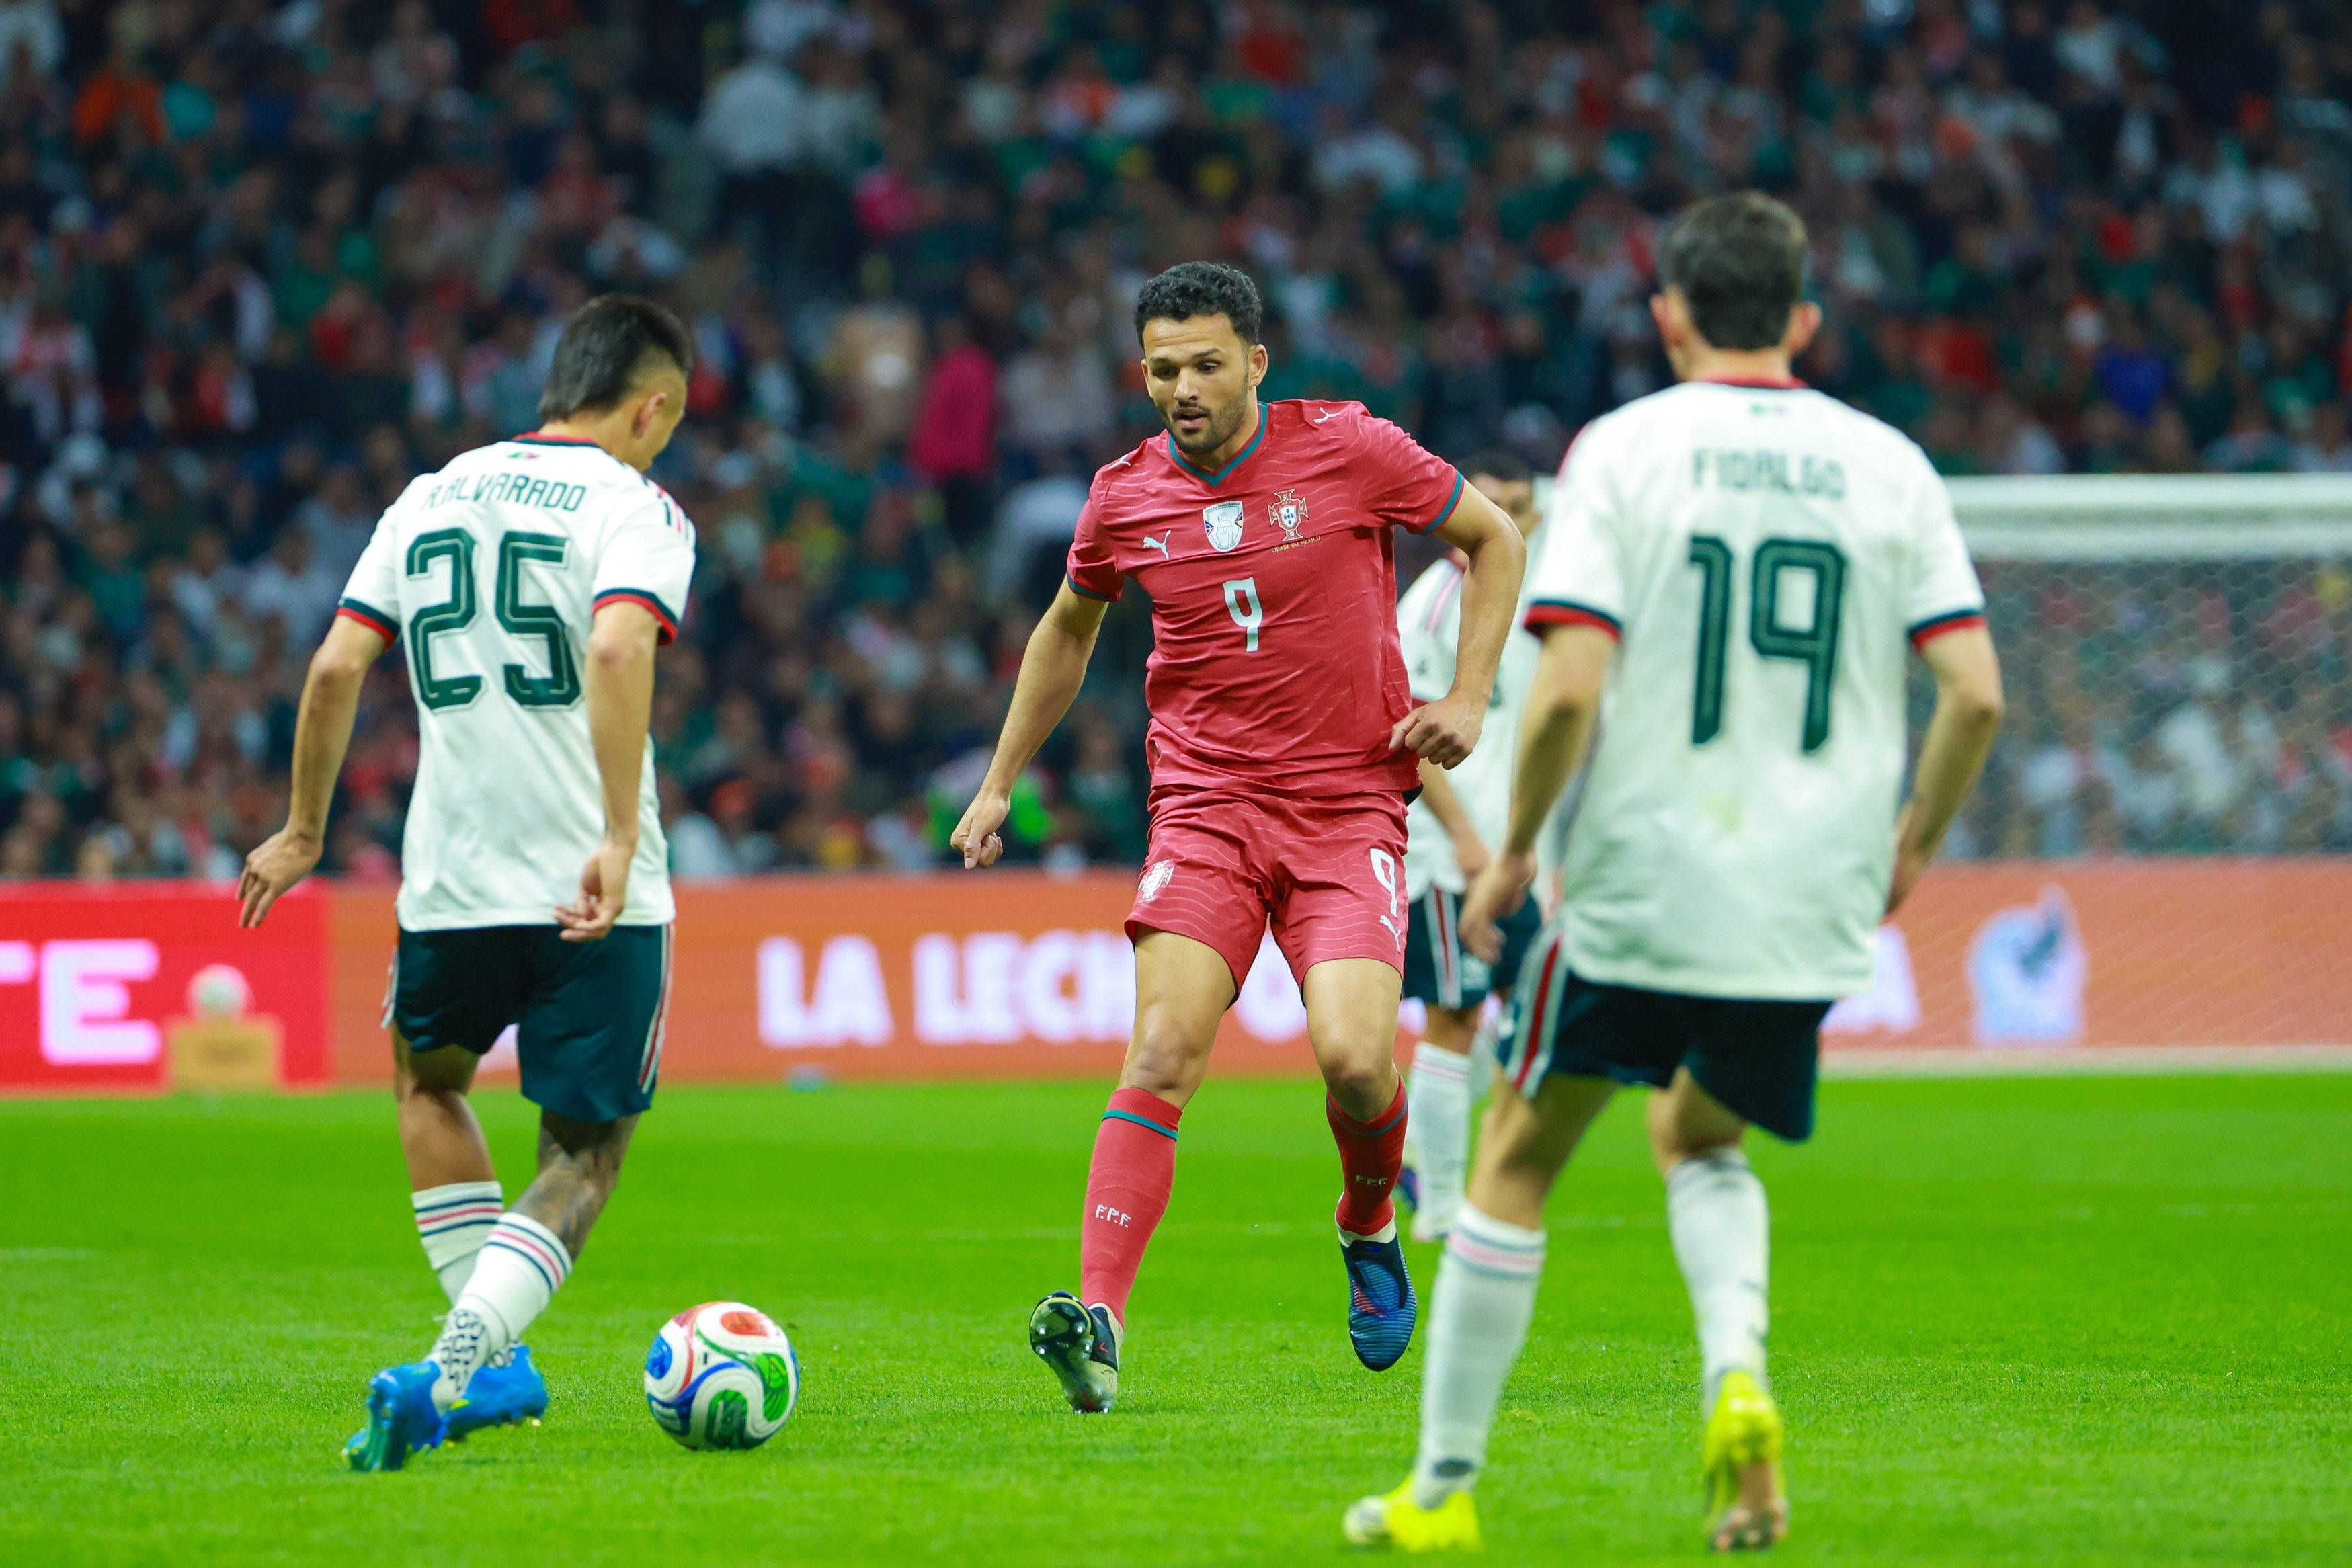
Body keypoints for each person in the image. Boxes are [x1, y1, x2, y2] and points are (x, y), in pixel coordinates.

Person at [1346, 192, 2004, 1552]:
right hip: (1813, 890)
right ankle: (1739, 1385)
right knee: (1703, 1134)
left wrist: (1516, 847)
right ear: (1806, 319)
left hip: (1646, 878)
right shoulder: (1891, 463)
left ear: (1669, 316)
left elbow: (1571, 682)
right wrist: (1914, 843)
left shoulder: (1627, 451)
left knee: (1517, 1166)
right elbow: (1977, 694)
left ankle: (1443, 1488)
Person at [950, 261, 1526, 1412]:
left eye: (1206, 363)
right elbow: (1068, 629)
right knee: (1160, 1052)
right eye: (1161, 368)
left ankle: (1367, 1218)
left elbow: (1492, 537)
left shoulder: (1351, 448)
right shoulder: (1122, 496)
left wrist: (1465, 695)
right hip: (1206, 808)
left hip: (1345, 805)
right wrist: (999, 778)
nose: (1182, 386)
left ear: (1255, 361)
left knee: (1358, 1060)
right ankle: (1099, 1318)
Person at [237, 296, 700, 1472]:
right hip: (594, 882)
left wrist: (300, 831)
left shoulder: (432, 492)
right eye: (670, 422)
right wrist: (607, 829)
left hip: (448, 874)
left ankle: (494, 1367)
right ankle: (452, 1369)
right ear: (649, 406)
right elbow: (613, 644)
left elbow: (339, 659)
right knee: (583, 1152)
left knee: (425, 1083)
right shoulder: (635, 505)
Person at [1394, 449, 1549, 1243]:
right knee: (1454, 1013)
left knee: (1532, 1007)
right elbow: (1410, 732)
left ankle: (1423, 1139)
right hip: (1448, 852)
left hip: (1517, 849)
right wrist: (1463, 840)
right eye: (1488, 504)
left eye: (1516, 505)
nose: (1502, 519)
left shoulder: (1533, 600)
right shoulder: (1432, 605)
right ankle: (1442, 1205)